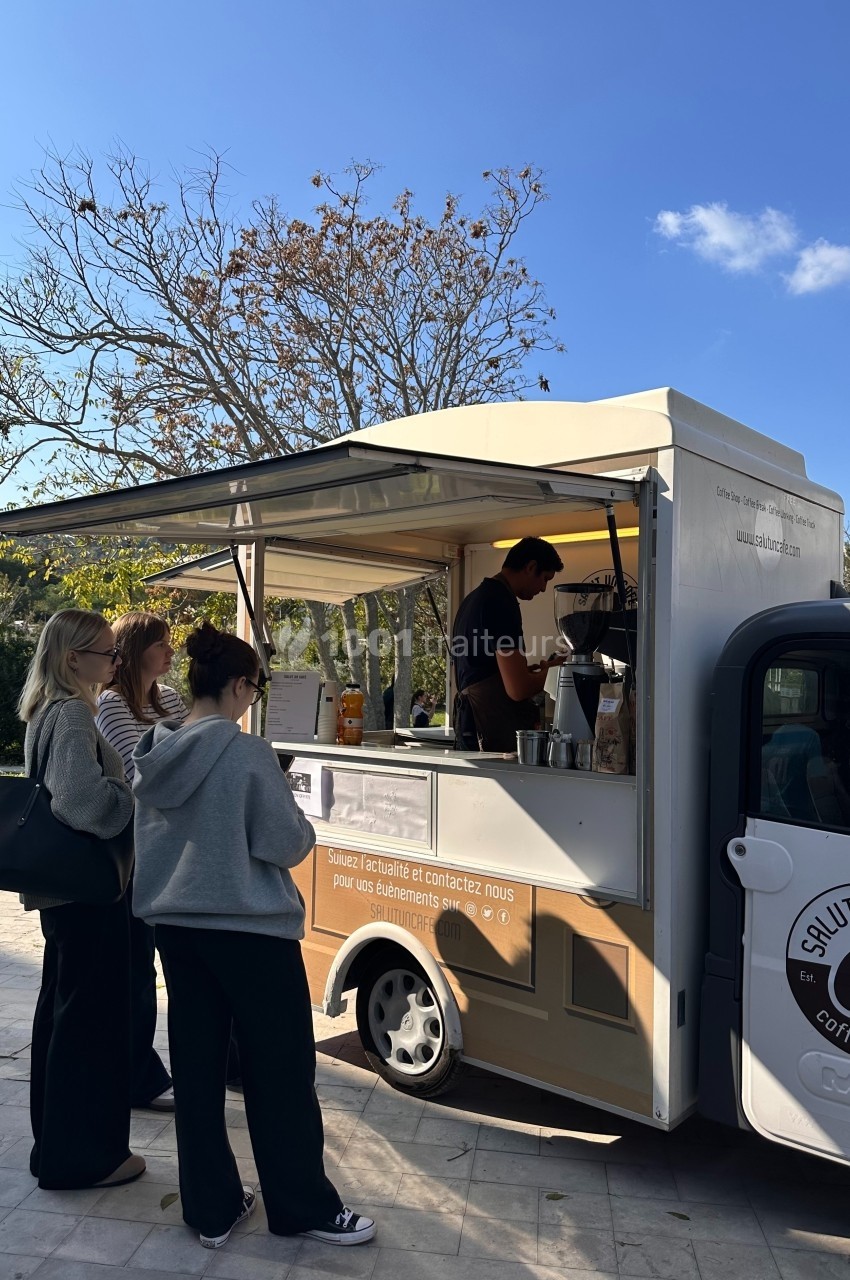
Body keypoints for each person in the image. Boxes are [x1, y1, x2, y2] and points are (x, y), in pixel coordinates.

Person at [131, 622, 376, 1250]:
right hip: (250, 931)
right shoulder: (246, 752)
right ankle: (302, 1207)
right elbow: (286, 843)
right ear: (240, 685)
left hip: (176, 929)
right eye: (253, 688)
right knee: (281, 1074)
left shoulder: (154, 752)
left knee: (197, 1067)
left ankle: (210, 1211)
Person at [18, 609, 144, 1190]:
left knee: (63, 1016)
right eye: (108, 654)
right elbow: (79, 802)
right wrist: (127, 795)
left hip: (62, 892)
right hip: (88, 892)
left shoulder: (48, 710)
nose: (116, 663)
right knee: (90, 1024)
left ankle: (58, 1149)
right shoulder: (71, 713)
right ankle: (87, 1157)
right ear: (75, 658)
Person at [95, 611, 188, 1113]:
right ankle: (138, 1075)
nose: (171, 653)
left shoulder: (169, 699)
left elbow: (183, 763)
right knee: (136, 964)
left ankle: (146, 1072)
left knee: (155, 959)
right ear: (136, 650)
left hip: (168, 848)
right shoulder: (110, 704)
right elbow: (141, 778)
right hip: (132, 851)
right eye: (162, 643)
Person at [451, 536, 566, 752]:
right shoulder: (500, 602)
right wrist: (558, 674)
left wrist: (537, 672)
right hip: (487, 726)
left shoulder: (475, 598)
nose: (543, 589)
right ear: (531, 567)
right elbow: (517, 689)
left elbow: (481, 670)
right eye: (545, 579)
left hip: (470, 723)